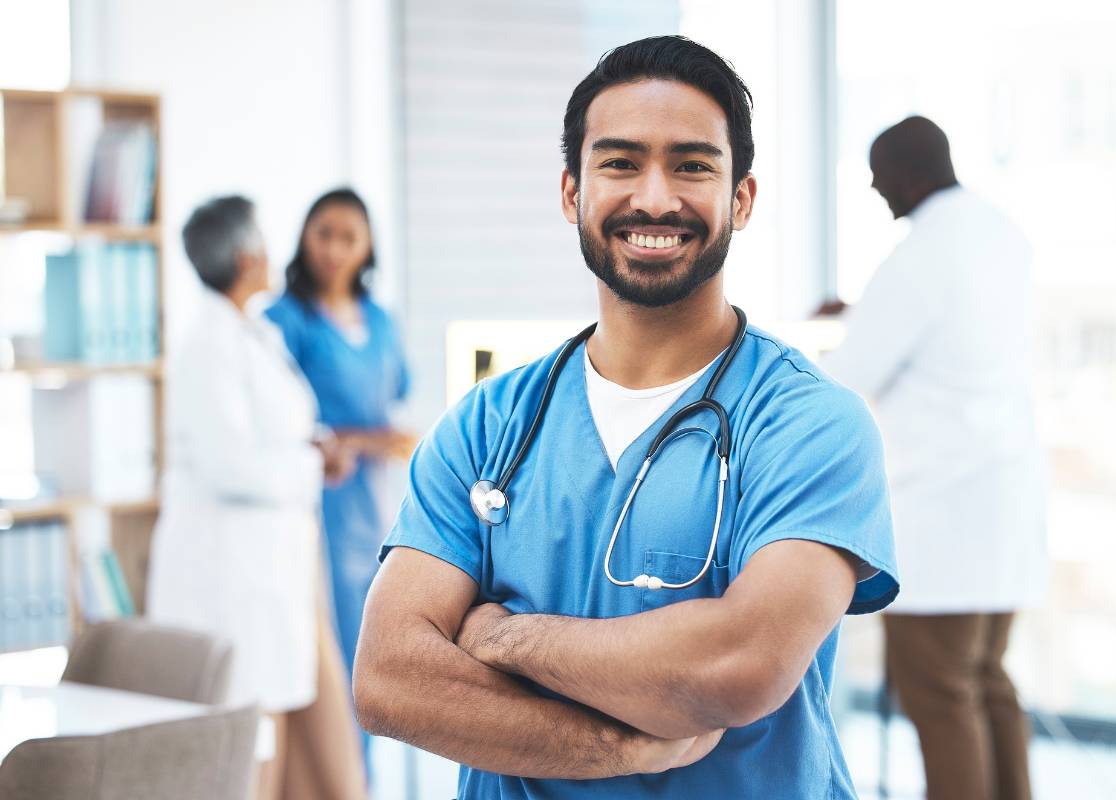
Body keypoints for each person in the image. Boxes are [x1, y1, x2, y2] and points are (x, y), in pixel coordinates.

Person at [354, 36, 899, 800]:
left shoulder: (809, 424)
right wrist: (617, 746)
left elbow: (738, 666)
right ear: (572, 192)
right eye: (619, 162)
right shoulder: (488, 426)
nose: (653, 198)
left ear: (740, 198)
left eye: (692, 165)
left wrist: (498, 635)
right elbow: (388, 678)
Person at [819, 116, 1046, 800]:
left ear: (913, 172)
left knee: (941, 695)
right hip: (1005, 502)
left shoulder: (918, 255)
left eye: (879, 172)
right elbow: (961, 326)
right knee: (987, 684)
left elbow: (851, 375)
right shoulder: (1000, 232)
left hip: (946, 510)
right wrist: (863, 308)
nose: (873, 185)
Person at [146, 196, 366, 800]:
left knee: (298, 720)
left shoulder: (253, 332)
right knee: (251, 744)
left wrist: (315, 444)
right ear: (248, 257)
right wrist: (310, 464)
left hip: (276, 570)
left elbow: (279, 426)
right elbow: (231, 466)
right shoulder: (207, 345)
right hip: (233, 580)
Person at [264, 188, 416, 699]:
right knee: (328, 661)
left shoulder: (380, 322)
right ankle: (339, 779)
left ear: (367, 249)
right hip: (313, 501)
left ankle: (360, 781)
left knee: (375, 657)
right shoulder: (283, 323)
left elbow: (398, 401)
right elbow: (276, 425)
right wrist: (366, 439)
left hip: (373, 507)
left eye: (348, 238)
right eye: (323, 234)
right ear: (303, 237)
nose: (332, 249)